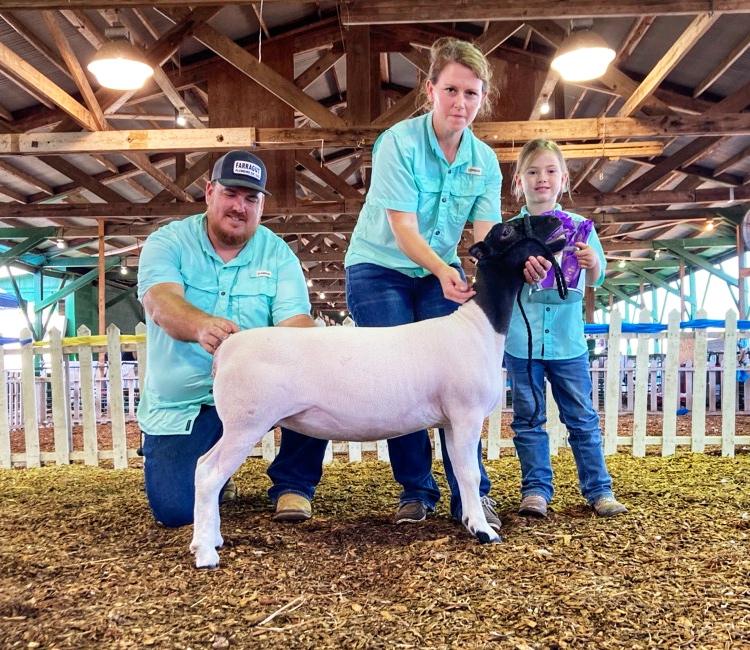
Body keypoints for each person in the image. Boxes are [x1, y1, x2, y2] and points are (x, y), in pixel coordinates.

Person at [269, 37, 503, 530]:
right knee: (403, 384)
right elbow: (403, 229)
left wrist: (489, 279)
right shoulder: (398, 142)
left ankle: (472, 498)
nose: (461, 103)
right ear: (430, 89)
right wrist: (444, 270)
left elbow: (487, 239)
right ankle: (416, 491)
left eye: (472, 94)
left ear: (482, 99)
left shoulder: (485, 162)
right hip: (380, 268)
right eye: (452, 90)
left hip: (438, 272)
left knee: (457, 387)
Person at [137, 150, 320, 527]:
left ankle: (294, 484)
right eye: (231, 194)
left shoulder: (278, 253)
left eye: (251, 199)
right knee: (175, 510)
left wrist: (294, 357)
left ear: (262, 204)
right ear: (209, 192)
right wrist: (202, 325)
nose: (240, 207)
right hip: (189, 403)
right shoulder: (168, 242)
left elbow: (297, 322)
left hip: (259, 392)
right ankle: (218, 471)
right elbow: (161, 301)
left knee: (313, 377)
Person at [504, 138, 627, 519]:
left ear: (564, 179)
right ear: (519, 181)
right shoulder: (508, 231)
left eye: (550, 170)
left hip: (568, 343)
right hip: (521, 342)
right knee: (528, 420)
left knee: (582, 418)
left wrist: (591, 261)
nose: (542, 178)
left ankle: (599, 489)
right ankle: (536, 491)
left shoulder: (581, 229)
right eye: (533, 171)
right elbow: (498, 281)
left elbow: (597, 278)